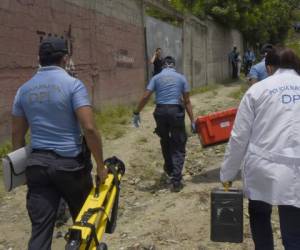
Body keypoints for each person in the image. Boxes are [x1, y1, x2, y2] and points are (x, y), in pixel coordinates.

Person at [11, 36, 108, 250]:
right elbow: (89, 128)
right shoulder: (73, 85)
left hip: (37, 166)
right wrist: (100, 165)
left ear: (40, 59)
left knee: (40, 231)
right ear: (65, 58)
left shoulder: (23, 90)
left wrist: (22, 173)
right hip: (70, 167)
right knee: (84, 223)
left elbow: (17, 136)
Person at [220, 48, 300, 250]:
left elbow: (239, 138)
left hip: (262, 168)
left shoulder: (257, 91)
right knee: (293, 232)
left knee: (260, 215)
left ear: (270, 67)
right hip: (296, 172)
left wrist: (228, 174)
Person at [132, 56, 195, 192]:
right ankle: (176, 181)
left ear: (163, 66)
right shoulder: (181, 78)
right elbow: (187, 101)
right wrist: (193, 120)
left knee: (165, 141)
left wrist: (136, 112)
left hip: (160, 112)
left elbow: (145, 96)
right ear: (173, 65)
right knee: (178, 143)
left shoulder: (156, 77)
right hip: (175, 111)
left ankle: (170, 170)